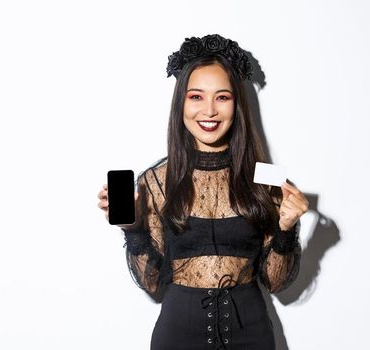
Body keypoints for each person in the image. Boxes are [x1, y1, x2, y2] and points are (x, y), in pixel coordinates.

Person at [96, 34, 308, 349]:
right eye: (196, 96)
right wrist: (134, 228)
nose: (209, 110)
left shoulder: (267, 181)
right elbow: (151, 283)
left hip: (252, 336)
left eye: (222, 97)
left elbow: (277, 283)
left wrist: (287, 230)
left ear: (238, 105)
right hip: (177, 336)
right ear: (180, 102)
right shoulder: (154, 182)